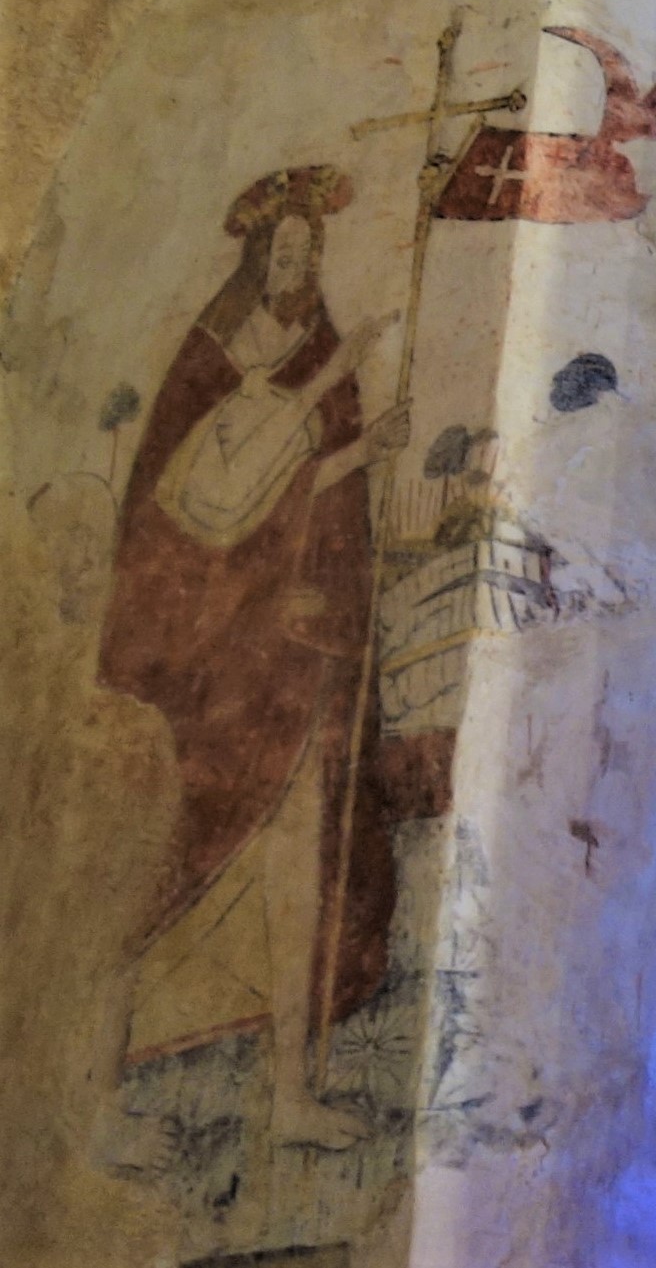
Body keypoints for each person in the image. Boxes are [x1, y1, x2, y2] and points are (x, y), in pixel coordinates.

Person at [99, 166, 408, 1150]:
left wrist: (361, 452)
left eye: (310, 253)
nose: (299, 266)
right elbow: (205, 506)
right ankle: (95, 1098)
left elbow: (314, 496)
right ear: (252, 259)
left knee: (302, 865)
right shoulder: (208, 357)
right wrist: (345, 442)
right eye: (284, 251)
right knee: (160, 863)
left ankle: (286, 1092)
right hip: (209, 671)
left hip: (297, 652)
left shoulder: (322, 348)